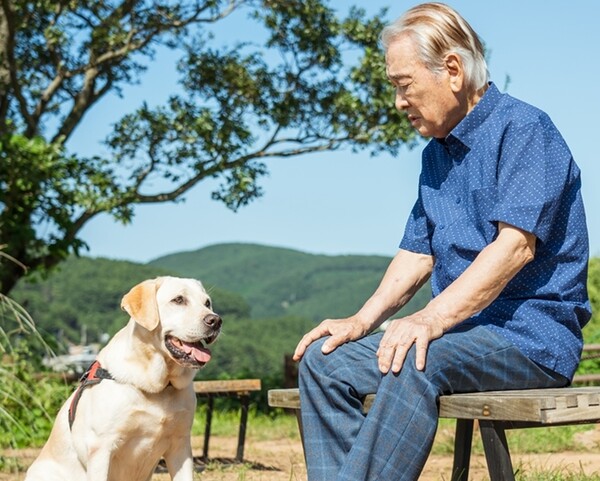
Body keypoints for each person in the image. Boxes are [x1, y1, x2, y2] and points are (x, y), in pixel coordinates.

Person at [292, 2, 591, 480]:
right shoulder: (436, 156)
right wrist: (361, 320)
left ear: (452, 69)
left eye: (403, 85)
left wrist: (429, 318)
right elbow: (416, 252)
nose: (398, 102)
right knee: (322, 362)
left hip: (531, 339)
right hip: (460, 336)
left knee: (414, 355)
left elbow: (514, 248)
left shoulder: (527, 131)